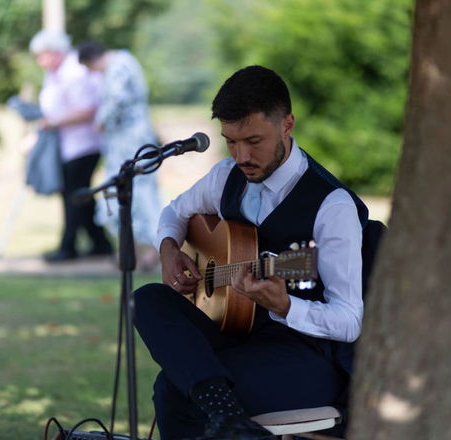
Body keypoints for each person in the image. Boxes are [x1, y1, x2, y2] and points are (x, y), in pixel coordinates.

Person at [133, 65, 369, 440]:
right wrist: (169, 249)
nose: (242, 155)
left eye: (254, 141)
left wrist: (285, 305)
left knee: (172, 390)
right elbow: (174, 212)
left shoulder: (331, 205)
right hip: (236, 333)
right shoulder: (225, 176)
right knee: (147, 299)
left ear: (287, 124)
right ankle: (229, 418)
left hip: (304, 356)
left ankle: (225, 416)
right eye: (231, 141)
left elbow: (349, 320)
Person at [77, 41, 163, 271]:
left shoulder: (118, 66)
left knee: (139, 194)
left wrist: (100, 121)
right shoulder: (124, 62)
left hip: (130, 143)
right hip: (126, 142)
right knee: (127, 193)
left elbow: (117, 99)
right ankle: (132, 251)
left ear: (92, 60)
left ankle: (152, 251)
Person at [29, 30, 113, 262]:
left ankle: (68, 247)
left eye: (42, 55)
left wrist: (53, 123)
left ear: (55, 52)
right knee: (81, 195)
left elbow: (88, 110)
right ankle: (101, 243)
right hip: (66, 146)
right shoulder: (53, 74)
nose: (39, 61)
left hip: (83, 145)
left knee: (73, 195)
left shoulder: (74, 72)